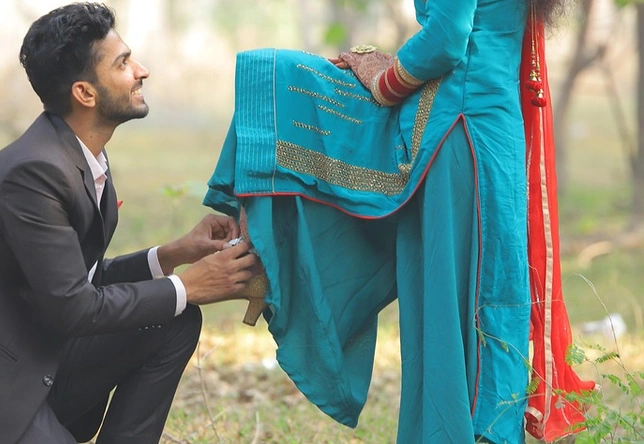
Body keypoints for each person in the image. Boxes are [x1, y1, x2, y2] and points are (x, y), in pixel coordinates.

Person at [204, 0, 594, 442]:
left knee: (275, 78)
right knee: (480, 298)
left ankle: (258, 251)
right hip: (492, 135)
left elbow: (447, 38)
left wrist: (382, 79)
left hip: (456, 138)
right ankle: (259, 249)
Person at [0, 3, 258, 443]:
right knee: (178, 301)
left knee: (174, 321)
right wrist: (189, 285)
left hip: (36, 360)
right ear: (85, 93)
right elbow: (74, 307)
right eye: (123, 63)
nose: (141, 71)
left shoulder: (84, 156)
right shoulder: (34, 171)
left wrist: (172, 256)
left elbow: (75, 281)